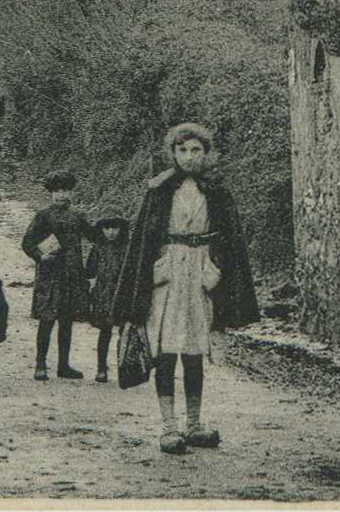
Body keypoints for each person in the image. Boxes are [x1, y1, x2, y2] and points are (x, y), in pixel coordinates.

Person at [102, 122, 259, 453]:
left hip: (201, 274)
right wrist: (139, 286)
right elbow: (142, 243)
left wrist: (219, 269)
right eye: (182, 150)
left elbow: (231, 241)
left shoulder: (216, 192)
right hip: (167, 276)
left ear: (206, 153)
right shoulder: (159, 191)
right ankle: (169, 427)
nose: (189, 157)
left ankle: (194, 424)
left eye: (196, 150)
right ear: (172, 153)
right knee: (166, 350)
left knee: (194, 351)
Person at [20, 170, 92, 381]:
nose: (61, 195)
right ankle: (40, 364)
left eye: (65, 190)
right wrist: (40, 256)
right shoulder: (43, 215)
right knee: (46, 319)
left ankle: (63, 365)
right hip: (49, 275)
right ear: (50, 193)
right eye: (57, 191)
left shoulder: (78, 216)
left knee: (67, 321)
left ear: (72, 192)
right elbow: (27, 242)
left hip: (72, 275)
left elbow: (94, 236)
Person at [82, 215, 133, 382]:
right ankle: (101, 368)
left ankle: (124, 368)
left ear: (121, 229)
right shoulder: (99, 248)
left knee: (124, 332)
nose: (110, 232)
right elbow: (90, 271)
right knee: (105, 331)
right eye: (107, 228)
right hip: (103, 293)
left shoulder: (128, 248)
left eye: (115, 228)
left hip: (122, 294)